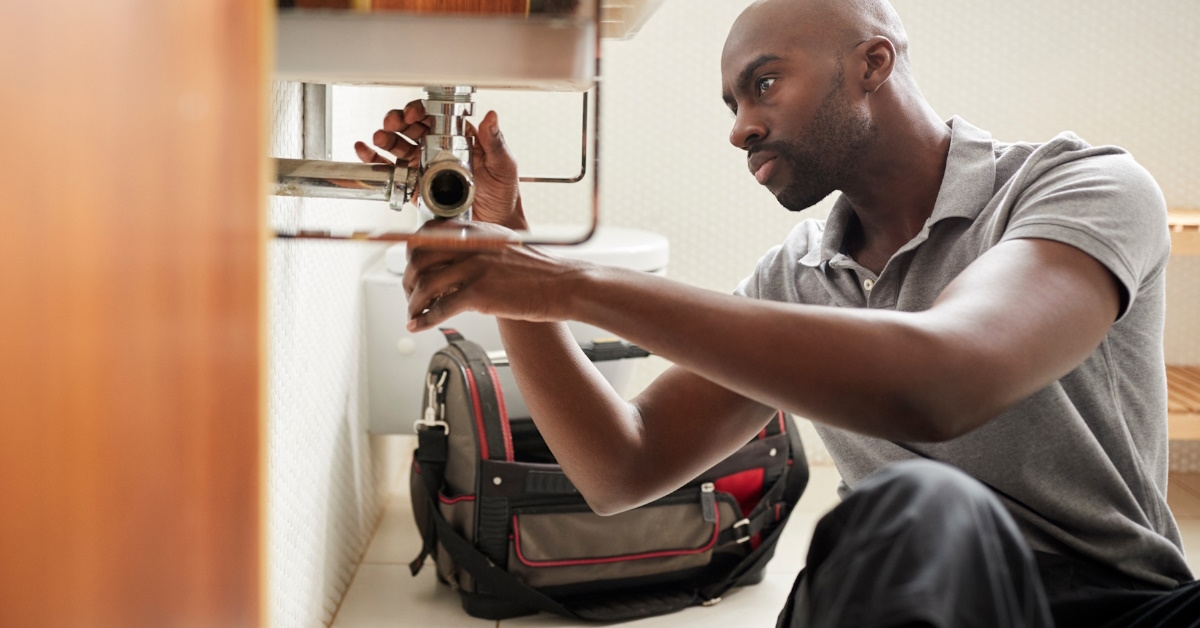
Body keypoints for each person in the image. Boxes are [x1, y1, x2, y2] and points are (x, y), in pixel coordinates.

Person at [356, 0, 1200, 624]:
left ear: (873, 62)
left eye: (763, 86)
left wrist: (560, 284)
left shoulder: (1080, 185)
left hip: (1126, 607)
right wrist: (517, 258)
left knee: (920, 508)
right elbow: (622, 467)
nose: (742, 129)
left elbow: (945, 381)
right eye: (732, 105)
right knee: (902, 525)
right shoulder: (797, 273)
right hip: (929, 594)